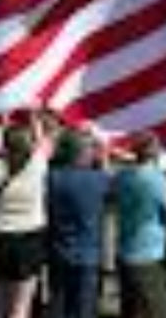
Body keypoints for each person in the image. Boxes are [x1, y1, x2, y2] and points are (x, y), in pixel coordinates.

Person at [0, 110, 53, 318]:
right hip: (28, 239)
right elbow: (43, 145)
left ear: (5, 146)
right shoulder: (36, 167)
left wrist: (2, 126)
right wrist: (34, 118)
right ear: (28, 145)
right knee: (20, 306)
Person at [47, 127, 112, 318]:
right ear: (82, 153)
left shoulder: (52, 177)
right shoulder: (98, 179)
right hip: (87, 255)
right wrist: (104, 155)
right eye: (90, 149)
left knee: (59, 305)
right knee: (83, 308)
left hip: (58, 251)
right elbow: (110, 185)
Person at [114, 131, 166, 318]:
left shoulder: (122, 176)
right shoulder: (157, 179)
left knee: (130, 309)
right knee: (159, 311)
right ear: (152, 150)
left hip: (125, 250)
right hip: (148, 254)